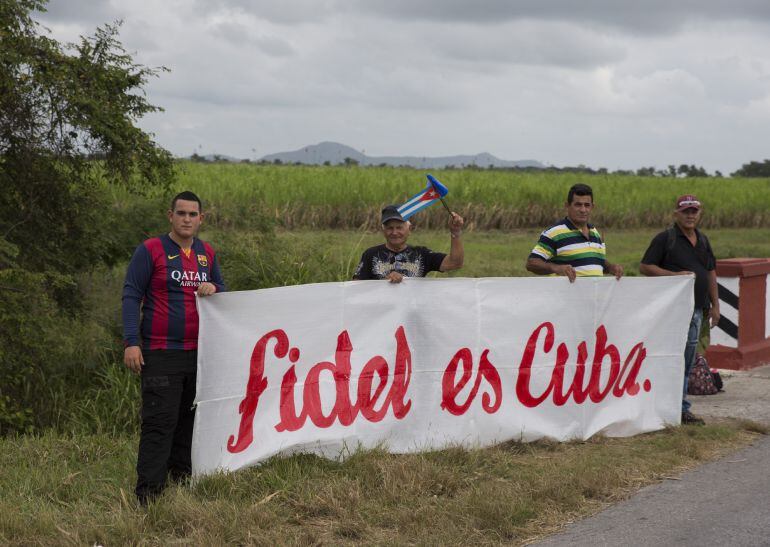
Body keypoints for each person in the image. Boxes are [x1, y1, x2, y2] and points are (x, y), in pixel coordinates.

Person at [122, 191, 226, 504]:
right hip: (160, 351)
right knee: (160, 421)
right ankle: (149, 495)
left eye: (193, 214)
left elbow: (224, 294)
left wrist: (214, 287)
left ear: (201, 218)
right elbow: (131, 295)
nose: (187, 219)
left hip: (199, 353)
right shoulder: (151, 250)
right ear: (170, 215)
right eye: (181, 213)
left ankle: (181, 483)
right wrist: (131, 342)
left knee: (189, 422)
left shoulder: (207, 253)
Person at [640, 194, 719, 426]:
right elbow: (645, 266)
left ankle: (681, 408)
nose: (690, 215)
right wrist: (674, 276)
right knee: (670, 358)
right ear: (676, 214)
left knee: (687, 360)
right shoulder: (666, 239)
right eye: (686, 211)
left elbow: (711, 272)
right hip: (672, 312)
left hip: (696, 310)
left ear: (699, 213)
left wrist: (715, 305)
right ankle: (665, 406)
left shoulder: (703, 241)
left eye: (694, 211)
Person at [525, 183, 623, 281]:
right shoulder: (554, 233)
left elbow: (594, 262)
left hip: (594, 296)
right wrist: (555, 268)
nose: (583, 210)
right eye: (578, 205)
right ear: (567, 206)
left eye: (587, 205)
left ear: (592, 207)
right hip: (564, 296)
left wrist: (611, 268)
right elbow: (532, 263)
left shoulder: (595, 233)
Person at [353, 205, 464, 282]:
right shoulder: (370, 254)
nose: (394, 232)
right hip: (382, 313)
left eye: (399, 227)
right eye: (390, 228)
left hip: (411, 314)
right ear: (383, 230)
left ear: (409, 229)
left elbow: (455, 263)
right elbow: (355, 287)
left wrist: (455, 232)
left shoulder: (422, 254)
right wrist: (383, 284)